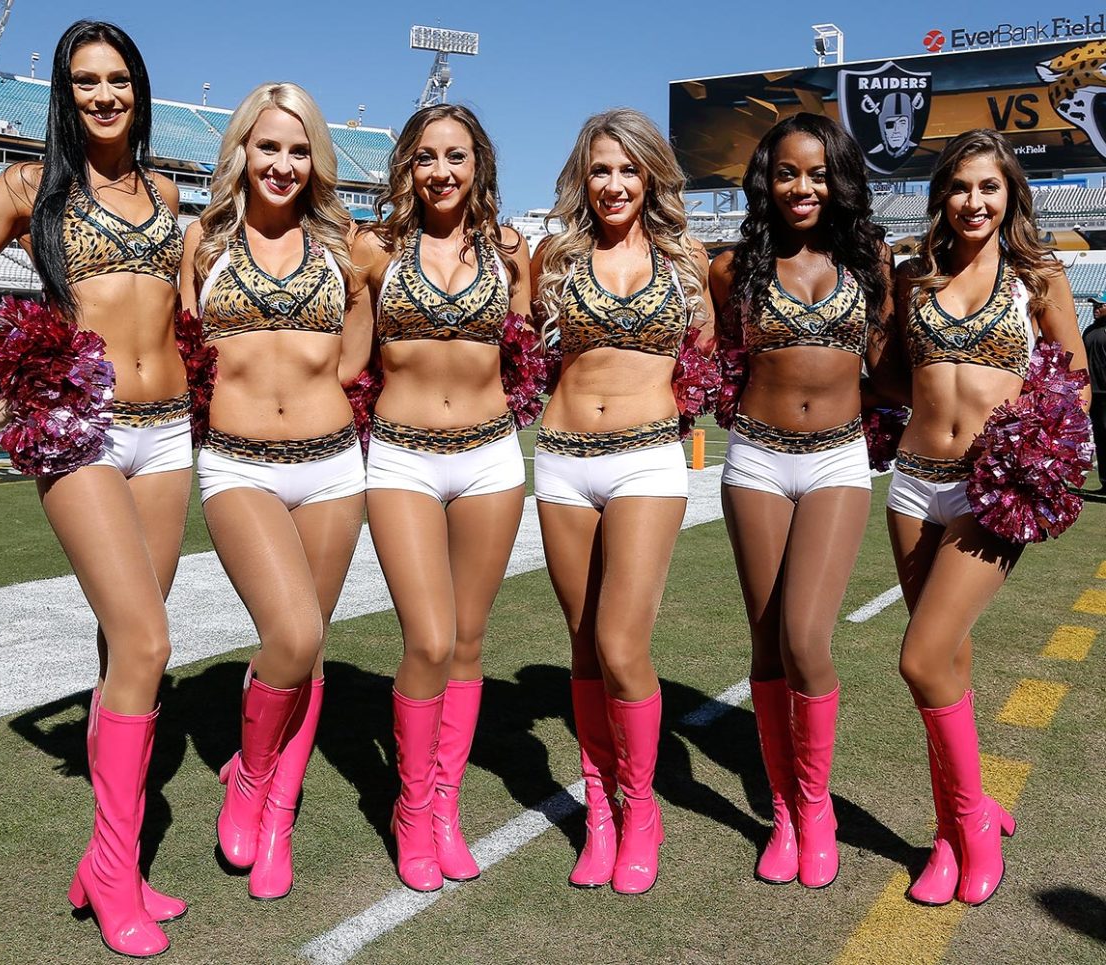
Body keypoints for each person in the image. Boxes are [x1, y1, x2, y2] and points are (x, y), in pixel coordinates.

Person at [0, 20, 190, 957]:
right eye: (85, 81)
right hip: (82, 429)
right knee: (149, 639)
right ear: (65, 94)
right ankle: (114, 872)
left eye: (118, 78)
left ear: (139, 89)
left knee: (127, 643)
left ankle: (113, 863)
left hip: (169, 433)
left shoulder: (165, 191)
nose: (103, 95)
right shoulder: (27, 187)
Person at [888, 129, 1087, 906]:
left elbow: (1074, 380)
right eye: (961, 186)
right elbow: (891, 372)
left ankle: (971, 826)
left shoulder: (1039, 276)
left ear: (1011, 195)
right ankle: (951, 830)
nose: (974, 201)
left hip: (990, 491)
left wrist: (1039, 445)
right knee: (948, 664)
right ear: (942, 194)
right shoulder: (913, 275)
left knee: (921, 658)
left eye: (989, 187)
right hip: (914, 483)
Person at [180, 82, 365, 900]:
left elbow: (356, 350)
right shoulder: (204, 242)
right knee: (289, 633)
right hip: (237, 464)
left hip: (333, 466)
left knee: (311, 646)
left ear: (315, 160)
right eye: (268, 147)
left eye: (299, 150)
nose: (283, 164)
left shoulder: (344, 245)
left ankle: (278, 812)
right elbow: (185, 348)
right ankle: (252, 776)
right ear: (241, 153)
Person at [346, 104, 530, 892]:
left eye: (456, 156)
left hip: (491, 458)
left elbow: (526, 350)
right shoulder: (374, 249)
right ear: (407, 167)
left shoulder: (512, 250)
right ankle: (412, 807)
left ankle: (445, 808)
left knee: (467, 640)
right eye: (426, 157)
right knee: (427, 640)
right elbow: (348, 360)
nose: (442, 171)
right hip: (402, 457)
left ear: (478, 163)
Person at [532, 108, 712, 895]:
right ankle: (599, 815)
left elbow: (705, 356)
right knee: (582, 643)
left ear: (651, 176)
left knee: (621, 643)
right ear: (584, 175)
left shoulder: (687, 259)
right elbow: (527, 349)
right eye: (601, 168)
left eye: (628, 169)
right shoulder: (554, 257)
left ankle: (640, 811)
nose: (613, 183)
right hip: (563, 461)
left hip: (647, 461)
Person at [709, 114, 891, 890]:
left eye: (817, 173)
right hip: (756, 458)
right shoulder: (733, 266)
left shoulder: (871, 257)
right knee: (766, 643)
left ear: (839, 178)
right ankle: (783, 812)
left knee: (807, 638)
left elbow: (886, 364)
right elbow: (722, 357)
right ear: (767, 181)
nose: (802, 187)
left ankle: (816, 810)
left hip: (837, 459)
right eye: (787, 173)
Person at [1083, 293, 1106, 489]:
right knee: (1100, 438)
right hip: (1094, 394)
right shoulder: (1089, 331)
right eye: (1094, 306)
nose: (1096, 309)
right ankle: (1105, 482)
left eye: (1100, 305)